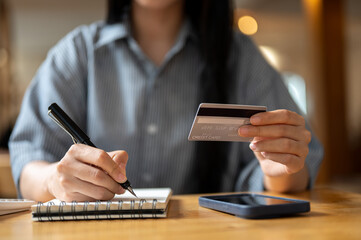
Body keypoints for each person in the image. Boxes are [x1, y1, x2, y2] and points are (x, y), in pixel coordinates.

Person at [9, 0, 323, 202]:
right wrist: (54, 179)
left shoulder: (240, 57)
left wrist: (281, 168)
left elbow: (291, 171)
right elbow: (27, 161)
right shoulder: (78, 53)